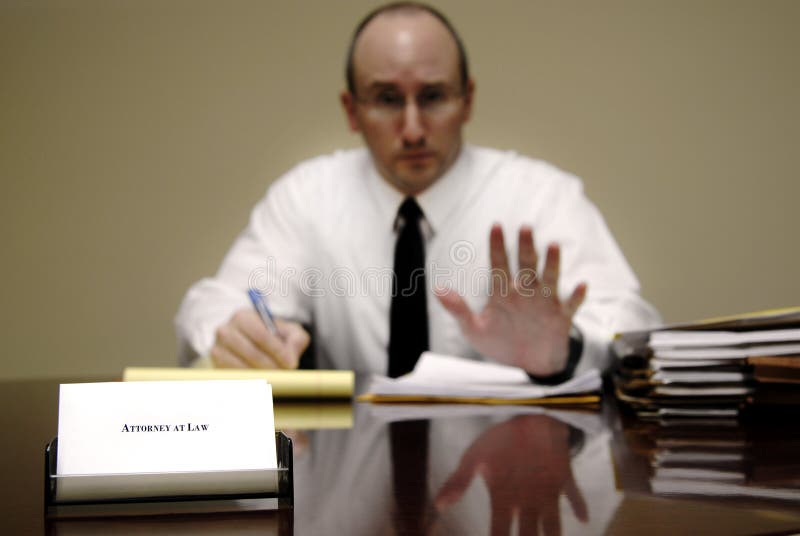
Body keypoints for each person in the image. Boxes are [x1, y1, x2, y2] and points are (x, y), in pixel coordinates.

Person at [175, 2, 660, 380]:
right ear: (351, 110)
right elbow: (213, 306)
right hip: (346, 470)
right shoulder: (306, 199)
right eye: (387, 99)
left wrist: (565, 350)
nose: (412, 130)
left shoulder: (543, 199)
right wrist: (234, 332)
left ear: (467, 100)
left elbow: (633, 329)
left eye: (433, 97)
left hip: (514, 468)